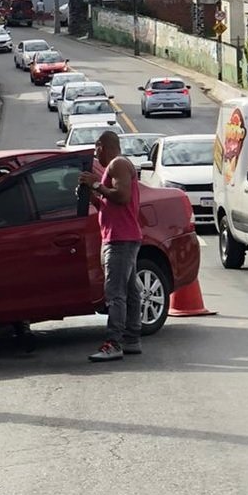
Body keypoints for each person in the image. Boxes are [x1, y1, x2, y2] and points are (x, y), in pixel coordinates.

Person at [79, 130, 143, 362]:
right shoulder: (116, 167)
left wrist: (95, 184)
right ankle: (132, 339)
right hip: (122, 236)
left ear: (101, 146)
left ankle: (114, 342)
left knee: (114, 293)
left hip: (120, 239)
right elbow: (111, 202)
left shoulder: (118, 164)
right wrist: (93, 196)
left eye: (96, 150)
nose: (96, 156)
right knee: (130, 291)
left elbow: (122, 196)